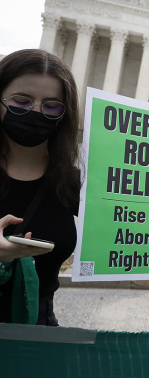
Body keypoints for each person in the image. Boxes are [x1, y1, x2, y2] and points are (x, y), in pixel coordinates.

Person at [0, 49, 80, 326]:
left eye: (52, 105)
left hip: (38, 334)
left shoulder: (74, 181)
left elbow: (136, 224)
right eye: (21, 102)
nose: (35, 112)